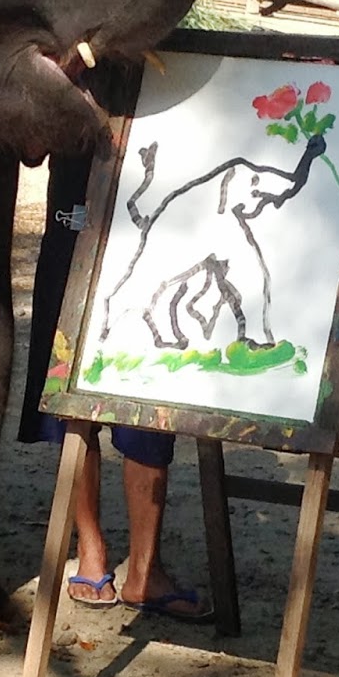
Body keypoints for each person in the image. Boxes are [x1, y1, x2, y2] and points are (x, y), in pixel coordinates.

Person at [17, 149, 213, 624]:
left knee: (148, 399)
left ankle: (145, 571)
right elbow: (30, 149)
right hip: (73, 224)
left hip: (158, 220)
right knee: (72, 403)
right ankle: (91, 552)